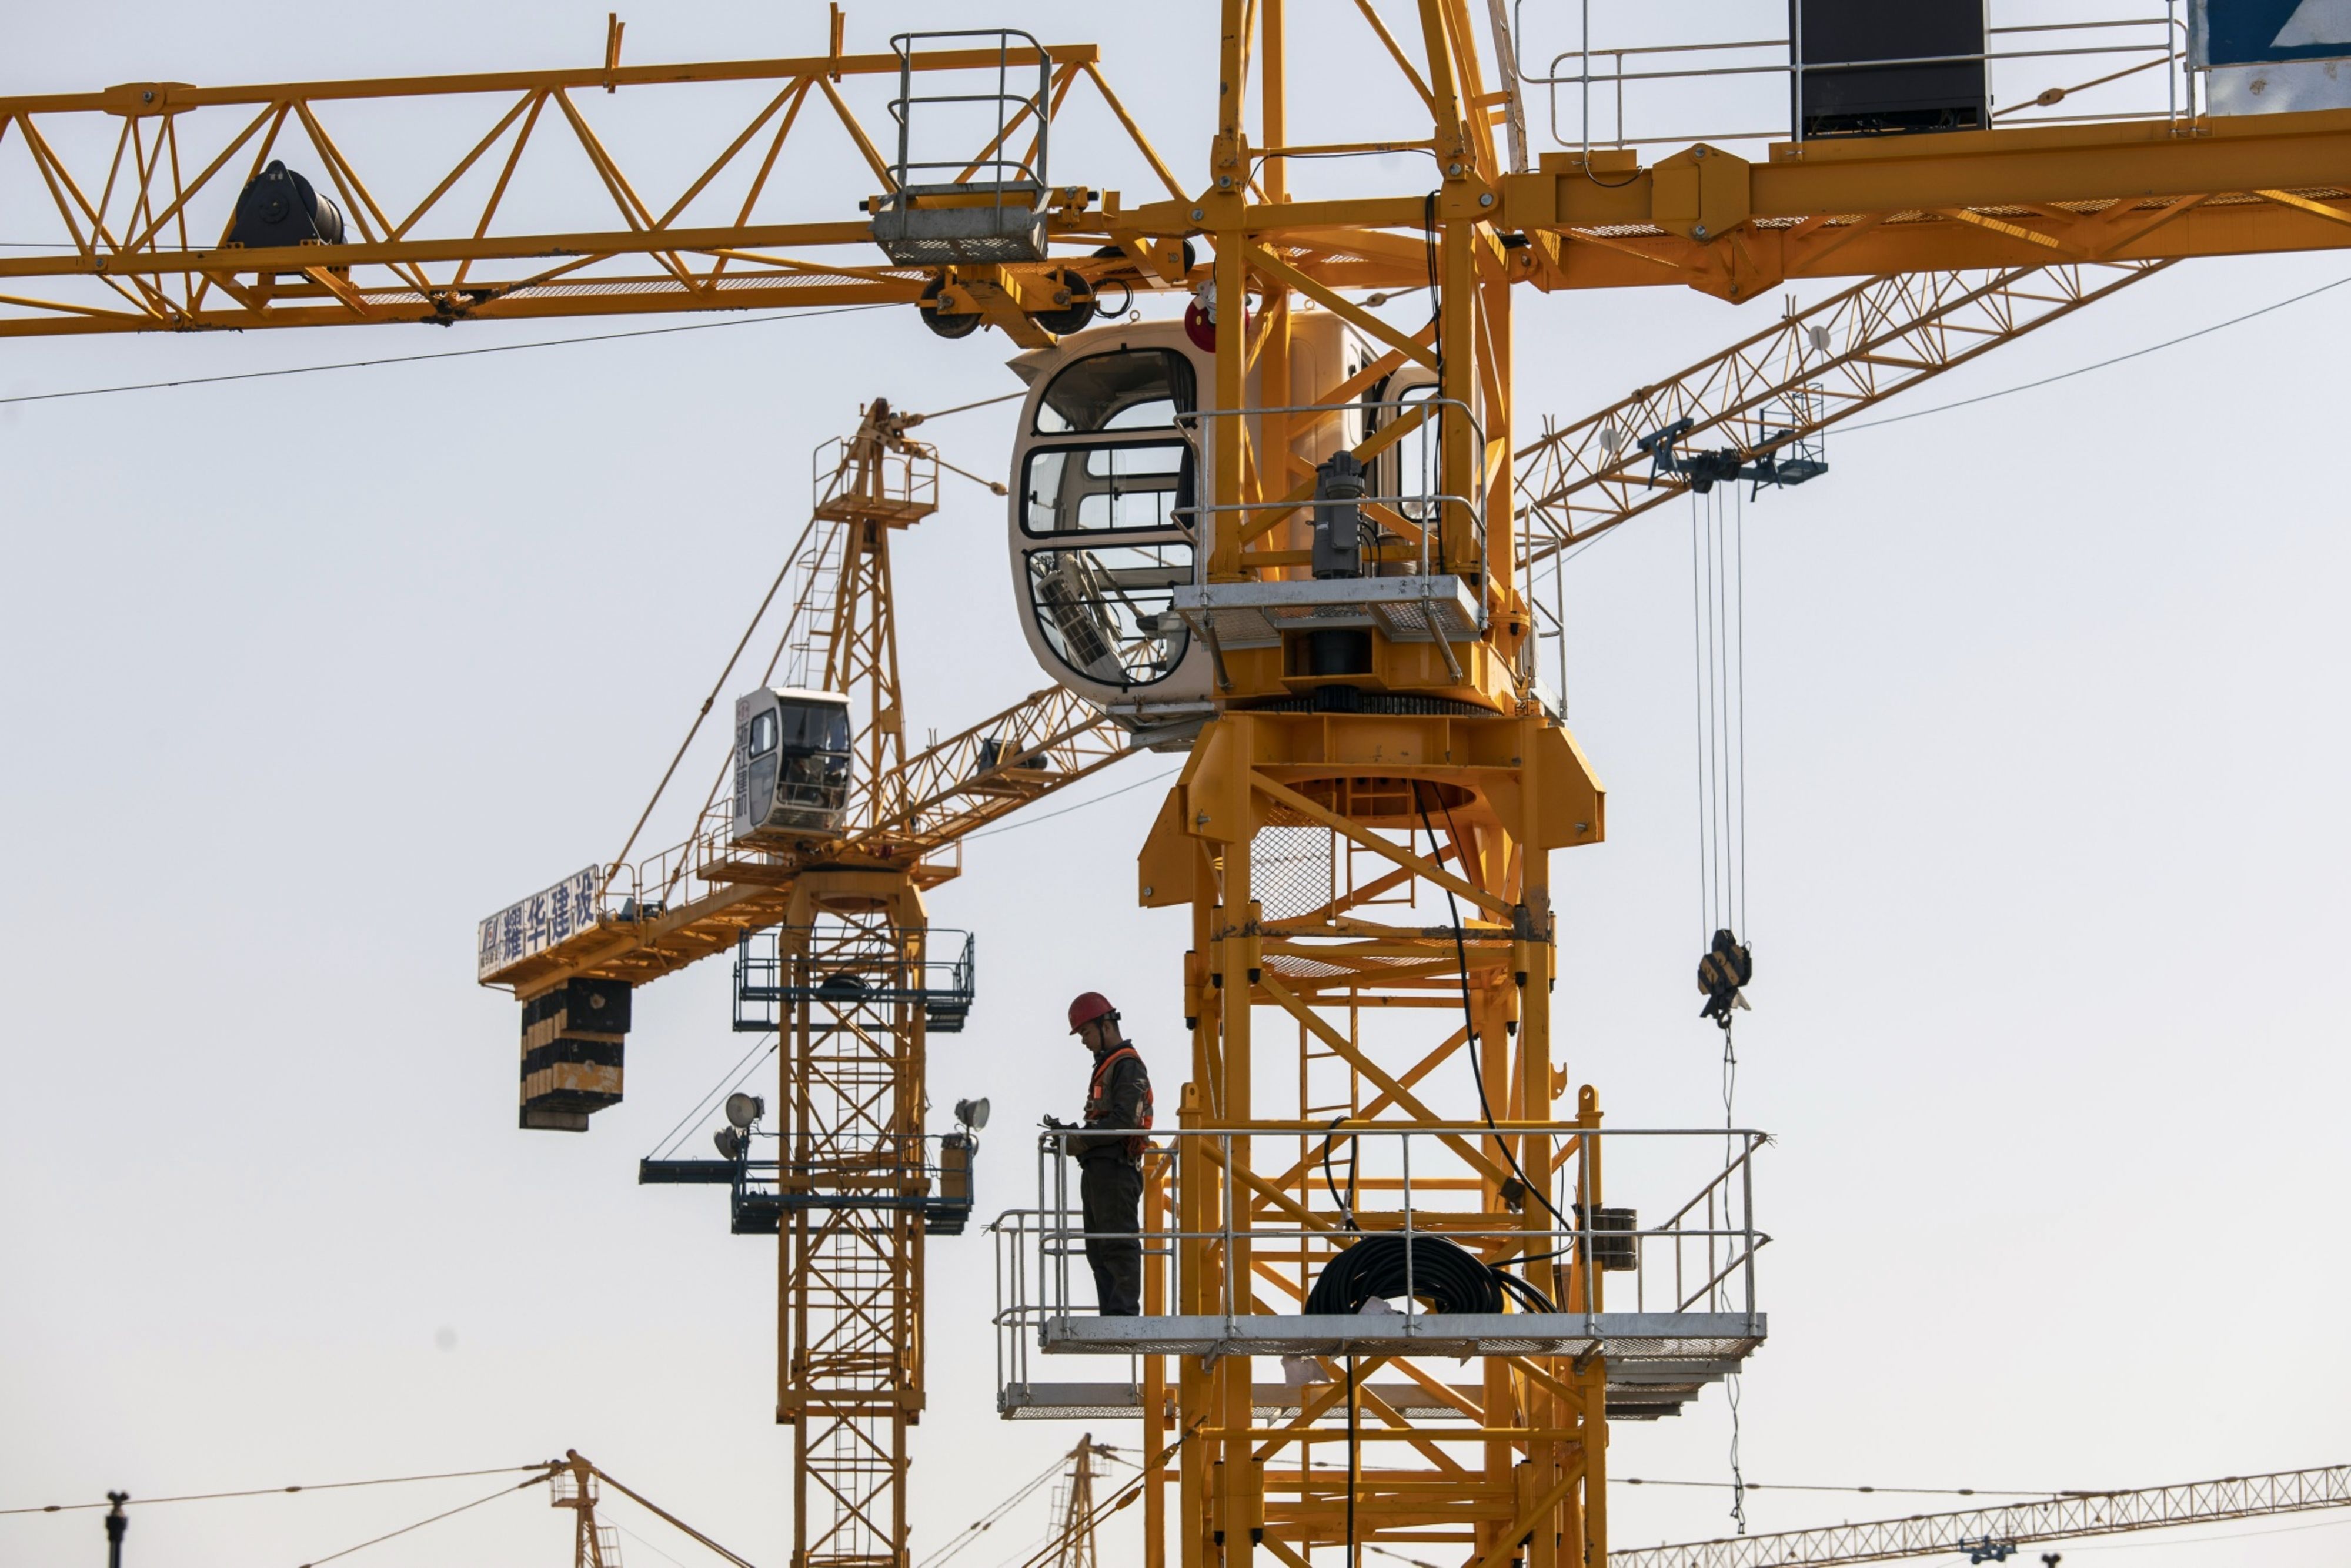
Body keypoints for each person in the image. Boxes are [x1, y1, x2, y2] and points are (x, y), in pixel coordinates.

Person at [1048, 991, 1153, 1316]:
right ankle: (1111, 1313)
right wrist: (1075, 1134)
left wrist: (1082, 1138)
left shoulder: (1128, 1066)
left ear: (1106, 1025)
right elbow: (1107, 1120)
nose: (1083, 1041)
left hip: (1117, 1170)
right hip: (1098, 1170)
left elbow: (1124, 1122)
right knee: (1098, 1245)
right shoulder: (1109, 1066)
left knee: (1117, 1242)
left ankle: (1123, 1314)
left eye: (1085, 1033)